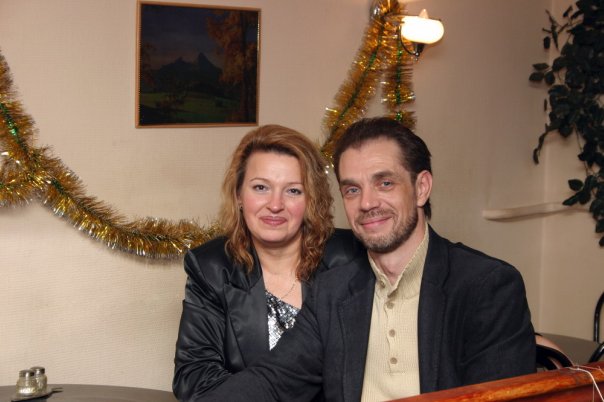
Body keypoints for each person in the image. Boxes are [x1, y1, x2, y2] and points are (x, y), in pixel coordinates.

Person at [200, 117, 536, 401]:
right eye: (352, 189)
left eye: (385, 183)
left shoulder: (485, 286)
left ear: (421, 188)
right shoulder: (332, 292)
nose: (367, 203)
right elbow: (271, 381)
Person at [172, 125, 363, 401]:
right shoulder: (211, 267)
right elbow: (193, 376)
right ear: (239, 195)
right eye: (260, 187)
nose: (275, 205)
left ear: (312, 199)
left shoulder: (351, 257)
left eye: (293, 191)